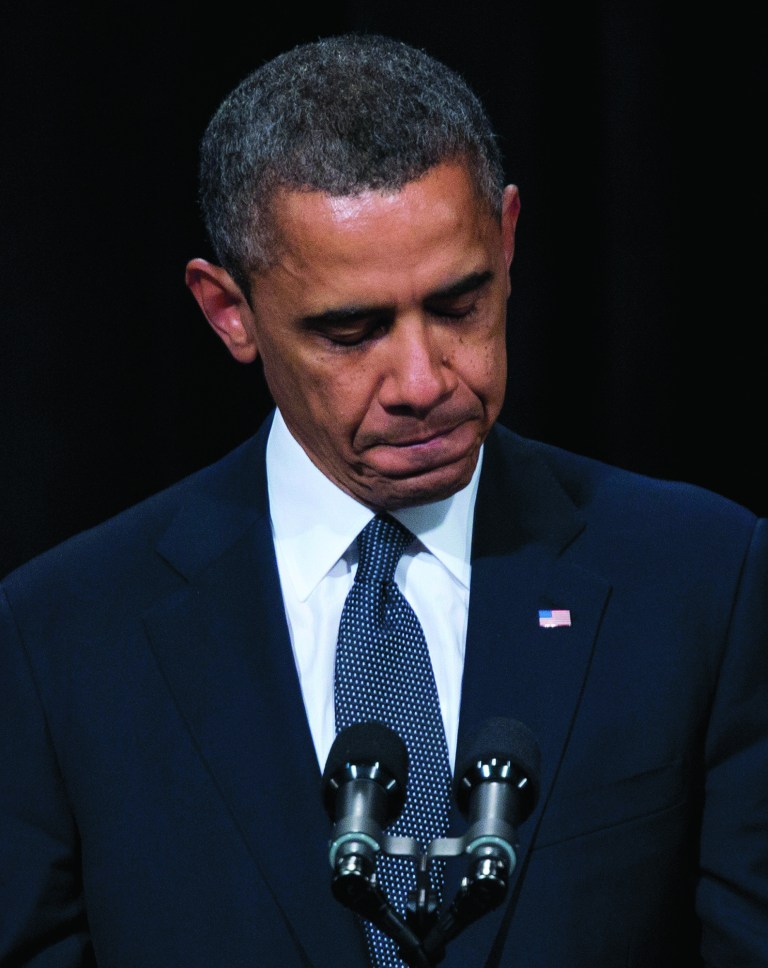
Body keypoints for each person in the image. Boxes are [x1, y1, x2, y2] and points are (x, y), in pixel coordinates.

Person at [1, 32, 766, 968]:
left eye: (458, 306)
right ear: (228, 311)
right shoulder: (59, 640)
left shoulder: (703, 579)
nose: (420, 380)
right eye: (351, 331)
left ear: (509, 238)